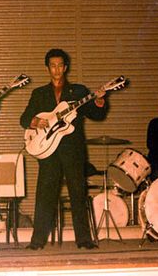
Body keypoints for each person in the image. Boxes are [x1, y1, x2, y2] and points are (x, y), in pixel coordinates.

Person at [20, 48, 108, 250]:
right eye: (53, 65)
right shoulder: (39, 93)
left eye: (60, 65)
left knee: (78, 193)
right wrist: (36, 121)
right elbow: (24, 119)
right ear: (47, 68)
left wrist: (100, 100)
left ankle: (84, 239)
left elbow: (96, 114)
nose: (57, 69)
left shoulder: (78, 91)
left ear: (65, 67)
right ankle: (37, 241)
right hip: (47, 149)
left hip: (72, 149)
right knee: (44, 194)